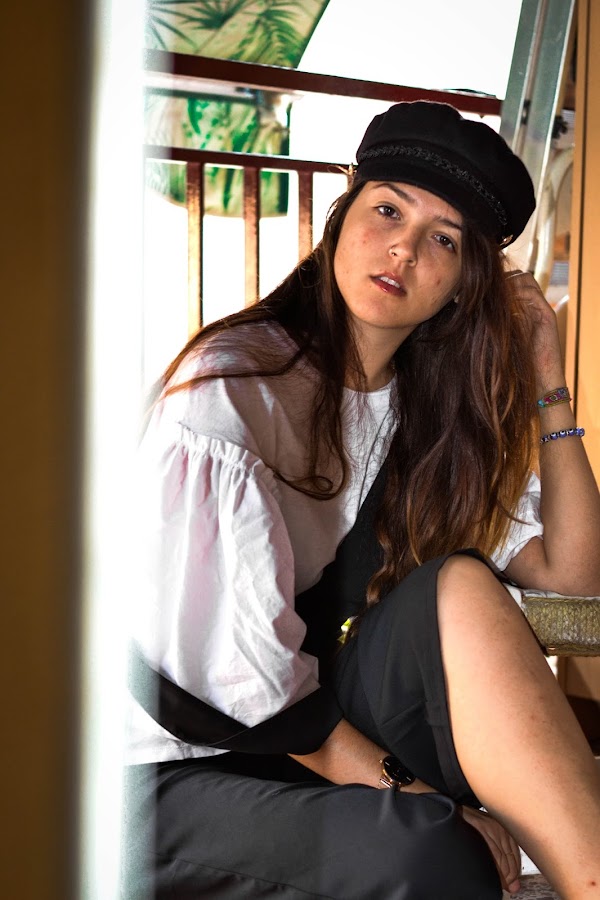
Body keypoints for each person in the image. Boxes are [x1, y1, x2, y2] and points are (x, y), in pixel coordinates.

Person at [123, 101, 600, 899]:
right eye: (388, 211)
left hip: (306, 731)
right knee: (434, 854)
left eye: (444, 239)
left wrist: (548, 380)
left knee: (460, 587)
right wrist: (411, 792)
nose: (404, 248)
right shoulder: (234, 390)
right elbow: (238, 694)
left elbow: (576, 583)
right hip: (171, 761)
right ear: (343, 217)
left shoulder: (426, 415)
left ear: (463, 284)